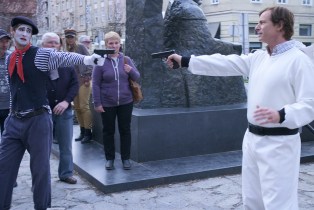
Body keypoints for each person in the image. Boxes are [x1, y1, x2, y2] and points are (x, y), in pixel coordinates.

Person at [167, 6, 314, 210]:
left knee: (279, 203)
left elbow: (309, 104)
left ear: (280, 26)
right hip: (252, 140)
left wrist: (281, 115)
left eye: (263, 22)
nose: (258, 27)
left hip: (280, 145)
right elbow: (226, 63)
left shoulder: (299, 60)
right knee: (252, 200)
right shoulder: (259, 58)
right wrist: (185, 60)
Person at [0, 16, 103, 210]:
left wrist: (88, 58)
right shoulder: (9, 58)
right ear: (12, 31)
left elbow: (63, 57)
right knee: (4, 169)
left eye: (28, 31)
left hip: (38, 120)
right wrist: (10, 116)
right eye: (21, 29)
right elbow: (14, 88)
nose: (24, 34)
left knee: (40, 170)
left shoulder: (40, 54)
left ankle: (42, 207)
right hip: (14, 121)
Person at [92, 31, 140, 170]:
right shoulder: (100, 62)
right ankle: (110, 159)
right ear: (106, 45)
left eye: (116, 43)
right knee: (108, 131)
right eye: (110, 43)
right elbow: (95, 84)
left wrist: (130, 70)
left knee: (125, 130)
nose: (114, 45)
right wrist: (97, 103)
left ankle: (126, 158)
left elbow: (137, 77)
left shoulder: (126, 59)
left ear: (120, 44)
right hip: (107, 103)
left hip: (126, 101)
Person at [42, 32, 79, 185]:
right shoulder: (37, 63)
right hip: (43, 111)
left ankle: (66, 173)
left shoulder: (67, 62)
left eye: (55, 43)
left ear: (60, 45)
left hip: (64, 110)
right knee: (42, 147)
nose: (53, 45)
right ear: (43, 45)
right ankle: (42, 177)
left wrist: (66, 101)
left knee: (66, 146)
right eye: (49, 42)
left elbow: (74, 84)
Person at [64, 29, 93, 144]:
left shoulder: (80, 47)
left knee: (84, 106)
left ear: (75, 37)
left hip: (83, 80)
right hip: (72, 83)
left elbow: (90, 61)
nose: (70, 39)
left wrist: (88, 76)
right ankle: (82, 131)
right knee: (77, 108)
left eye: (72, 37)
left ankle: (88, 132)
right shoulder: (65, 49)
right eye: (68, 37)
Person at [0, 29, 11, 136]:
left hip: (9, 106)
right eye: (1, 41)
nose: (4, 44)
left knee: (7, 139)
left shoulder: (12, 57)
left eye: (6, 41)